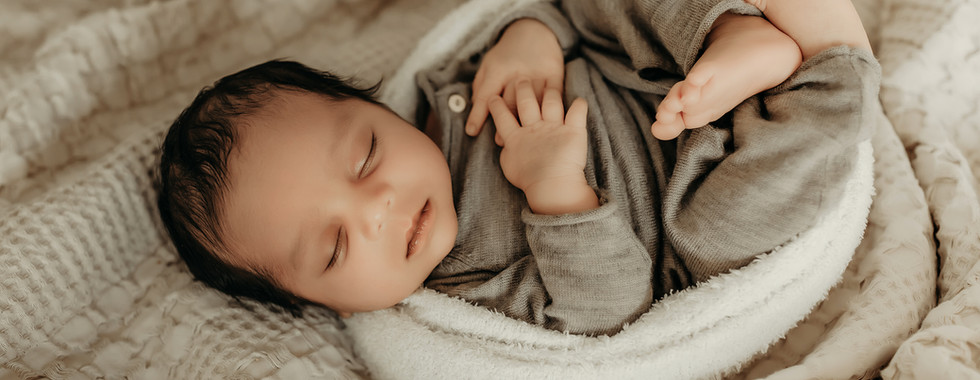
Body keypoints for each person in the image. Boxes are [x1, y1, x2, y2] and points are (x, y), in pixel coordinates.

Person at [157, 0, 878, 336]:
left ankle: (727, 32)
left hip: (654, 77)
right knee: (726, 232)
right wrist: (557, 193)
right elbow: (611, 309)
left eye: (365, 154)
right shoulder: (472, 282)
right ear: (337, 304)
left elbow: (561, 22)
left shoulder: (457, 96)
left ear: (384, 110)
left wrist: (533, 38)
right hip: (684, 198)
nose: (376, 206)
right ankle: (830, 69)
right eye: (336, 246)